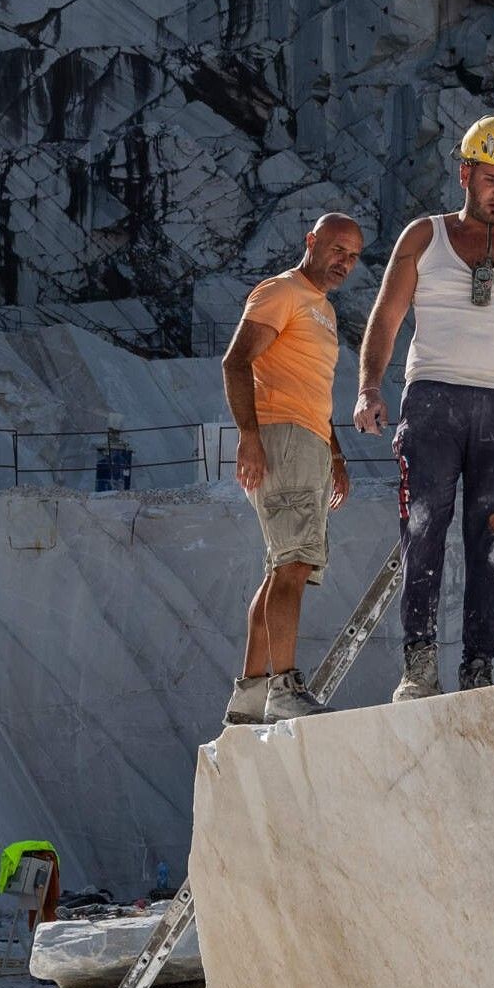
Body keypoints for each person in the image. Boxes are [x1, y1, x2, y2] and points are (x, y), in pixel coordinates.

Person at [354, 117, 494, 700]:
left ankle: (479, 667)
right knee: (423, 529)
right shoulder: (422, 238)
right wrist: (368, 388)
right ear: (465, 174)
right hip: (433, 398)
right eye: (490, 178)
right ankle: (419, 664)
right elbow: (385, 318)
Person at [221, 213, 363, 724]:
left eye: (352, 255)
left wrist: (336, 455)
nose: (344, 261)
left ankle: (250, 695)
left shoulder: (319, 308)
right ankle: (283, 688)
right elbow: (235, 362)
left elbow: (314, 392)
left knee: (282, 569)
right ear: (311, 242)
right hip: (282, 440)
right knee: (294, 566)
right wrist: (249, 437)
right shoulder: (281, 292)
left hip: (307, 444)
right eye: (336, 249)